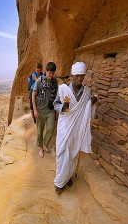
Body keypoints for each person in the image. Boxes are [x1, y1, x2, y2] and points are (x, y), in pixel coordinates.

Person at [53, 61, 97, 194]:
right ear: (71, 76)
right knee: (62, 153)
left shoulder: (87, 92)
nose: (79, 79)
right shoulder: (63, 90)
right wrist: (63, 107)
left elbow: (88, 107)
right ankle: (59, 182)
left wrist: (92, 102)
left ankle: (67, 177)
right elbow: (55, 104)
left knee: (73, 154)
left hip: (77, 129)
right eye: (77, 76)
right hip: (65, 128)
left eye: (81, 76)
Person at [32, 62, 58, 158]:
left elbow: (56, 95)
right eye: (49, 73)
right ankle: (40, 148)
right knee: (40, 131)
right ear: (46, 71)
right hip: (40, 110)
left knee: (51, 128)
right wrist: (35, 109)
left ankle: (46, 143)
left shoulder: (55, 81)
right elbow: (33, 95)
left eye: (53, 73)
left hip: (50, 110)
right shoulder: (39, 81)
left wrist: (57, 108)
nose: (51, 75)